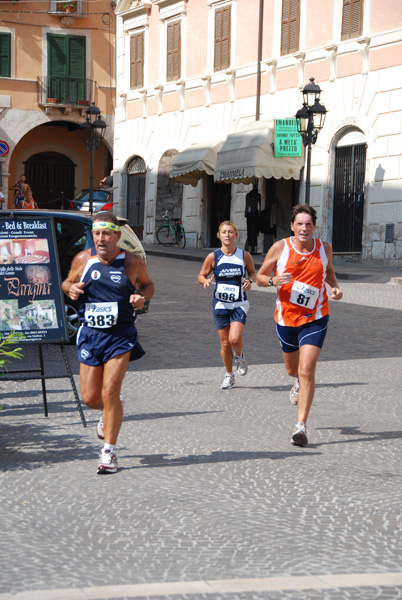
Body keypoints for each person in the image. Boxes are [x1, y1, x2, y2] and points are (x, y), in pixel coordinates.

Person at [62, 212, 155, 474]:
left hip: (120, 335)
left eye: (106, 233)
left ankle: (108, 454)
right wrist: (69, 288)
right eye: (96, 233)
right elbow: (67, 281)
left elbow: (148, 286)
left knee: (110, 391)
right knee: (92, 398)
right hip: (90, 335)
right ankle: (108, 410)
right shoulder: (84, 259)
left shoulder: (132, 262)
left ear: (117, 235)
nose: (101, 238)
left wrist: (141, 298)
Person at [256, 204, 343, 446]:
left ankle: (300, 426)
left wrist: (334, 288)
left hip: (316, 317)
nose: (304, 228)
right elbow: (259, 277)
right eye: (299, 224)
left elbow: (329, 271)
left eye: (308, 224)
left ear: (314, 226)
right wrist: (273, 279)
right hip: (286, 318)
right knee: (293, 371)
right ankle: (296, 383)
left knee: (307, 370)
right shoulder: (280, 248)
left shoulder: (324, 248)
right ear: (292, 226)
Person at [197, 220, 256, 390]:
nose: (227, 235)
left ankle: (239, 355)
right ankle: (229, 375)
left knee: (235, 339)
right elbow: (201, 275)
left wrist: (249, 281)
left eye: (231, 232)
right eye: (224, 232)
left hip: (239, 302)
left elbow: (252, 272)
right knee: (224, 344)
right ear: (219, 235)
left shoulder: (244, 255)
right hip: (221, 304)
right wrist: (205, 281)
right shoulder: (213, 256)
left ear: (236, 235)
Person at [245, 183, 261, 254]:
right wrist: (259, 214)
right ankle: (253, 248)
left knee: (250, 230)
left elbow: (246, 205)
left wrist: (245, 213)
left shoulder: (248, 195)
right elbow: (259, 206)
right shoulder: (257, 195)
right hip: (254, 213)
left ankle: (250, 248)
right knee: (255, 231)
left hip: (249, 213)